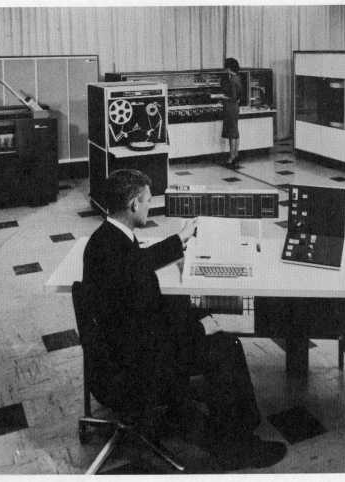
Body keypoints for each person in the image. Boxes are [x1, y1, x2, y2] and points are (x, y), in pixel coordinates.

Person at [82, 169, 286, 471]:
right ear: (134, 204)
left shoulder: (105, 239)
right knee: (225, 346)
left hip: (114, 353)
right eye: (148, 201)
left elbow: (137, 266)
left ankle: (242, 428)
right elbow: (147, 329)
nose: (151, 206)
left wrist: (179, 240)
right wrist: (199, 328)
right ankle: (235, 447)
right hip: (136, 362)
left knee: (194, 313)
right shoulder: (119, 254)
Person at [216, 57, 243, 168]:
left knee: (232, 133)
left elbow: (232, 97)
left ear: (229, 68)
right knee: (235, 132)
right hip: (235, 107)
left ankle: (231, 157)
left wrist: (222, 97)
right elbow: (238, 96)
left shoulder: (232, 80)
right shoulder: (238, 78)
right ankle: (236, 154)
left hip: (230, 107)